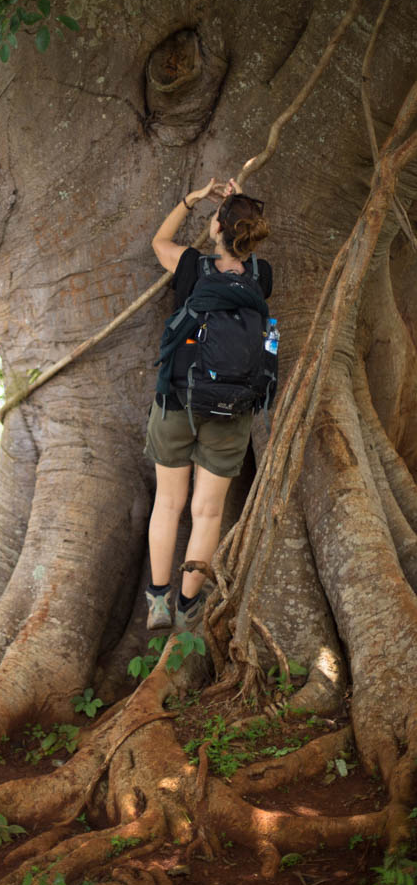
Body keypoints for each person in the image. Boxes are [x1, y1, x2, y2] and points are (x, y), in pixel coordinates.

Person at [144, 177, 271, 631]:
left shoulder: (192, 265)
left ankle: (158, 600)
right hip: (232, 411)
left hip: (178, 400)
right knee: (208, 511)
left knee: (168, 504)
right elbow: (244, 251)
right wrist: (238, 210)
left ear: (216, 226)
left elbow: (158, 241)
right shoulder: (261, 275)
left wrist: (191, 200)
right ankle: (189, 604)